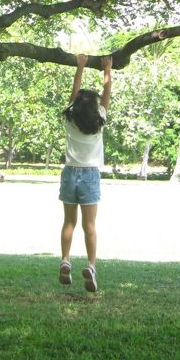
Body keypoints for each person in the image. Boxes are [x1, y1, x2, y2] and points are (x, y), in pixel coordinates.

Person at [58, 53, 112, 293]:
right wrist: (107, 70)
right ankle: (91, 266)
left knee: (69, 222)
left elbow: (74, 91)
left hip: (70, 173)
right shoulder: (99, 120)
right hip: (90, 174)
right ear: (94, 106)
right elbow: (107, 93)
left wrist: (80, 66)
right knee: (89, 226)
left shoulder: (70, 119)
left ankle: (66, 259)